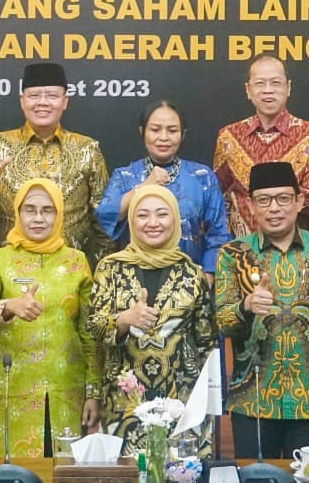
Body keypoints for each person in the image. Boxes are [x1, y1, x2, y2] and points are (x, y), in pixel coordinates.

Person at [215, 162, 309, 457]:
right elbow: (222, 322)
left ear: (299, 202)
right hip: (254, 403)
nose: (274, 208)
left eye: (283, 198)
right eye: (264, 200)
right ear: (251, 205)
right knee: (256, 477)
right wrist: (246, 306)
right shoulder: (233, 255)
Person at [0, 178, 101, 457]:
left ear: (59, 214)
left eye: (47, 210)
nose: (38, 218)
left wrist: (93, 392)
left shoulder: (76, 261)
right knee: (10, 472)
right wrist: (9, 306)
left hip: (67, 389)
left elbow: (89, 333)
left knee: (63, 469)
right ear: (17, 213)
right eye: (29, 210)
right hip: (11, 392)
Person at [88, 185, 217, 454]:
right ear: (131, 220)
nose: (153, 223)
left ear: (175, 219)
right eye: (143, 215)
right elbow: (94, 328)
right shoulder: (110, 268)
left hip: (181, 404)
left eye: (162, 214)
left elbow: (206, 343)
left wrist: (207, 404)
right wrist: (123, 319)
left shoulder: (192, 273)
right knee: (129, 471)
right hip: (124, 404)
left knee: (179, 471)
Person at [0, 62, 110, 263]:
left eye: (52, 96)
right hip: (9, 269)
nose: (42, 102)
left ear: (65, 101)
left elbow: (105, 216)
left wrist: (103, 269)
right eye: (34, 96)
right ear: (22, 101)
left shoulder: (87, 149)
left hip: (71, 270)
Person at [96, 100, 230, 275]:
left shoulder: (202, 176)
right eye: (155, 130)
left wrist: (208, 276)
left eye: (172, 130)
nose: (164, 137)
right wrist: (144, 186)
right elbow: (105, 215)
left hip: (191, 277)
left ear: (182, 134)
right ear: (142, 131)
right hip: (134, 277)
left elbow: (218, 234)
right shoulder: (125, 176)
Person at [212, 54, 309, 239]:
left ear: (288, 87)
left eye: (275, 83)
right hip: (242, 246)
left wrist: (271, 203)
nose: (268, 90)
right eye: (260, 83)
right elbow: (218, 196)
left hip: (295, 245)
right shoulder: (229, 137)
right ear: (248, 90)